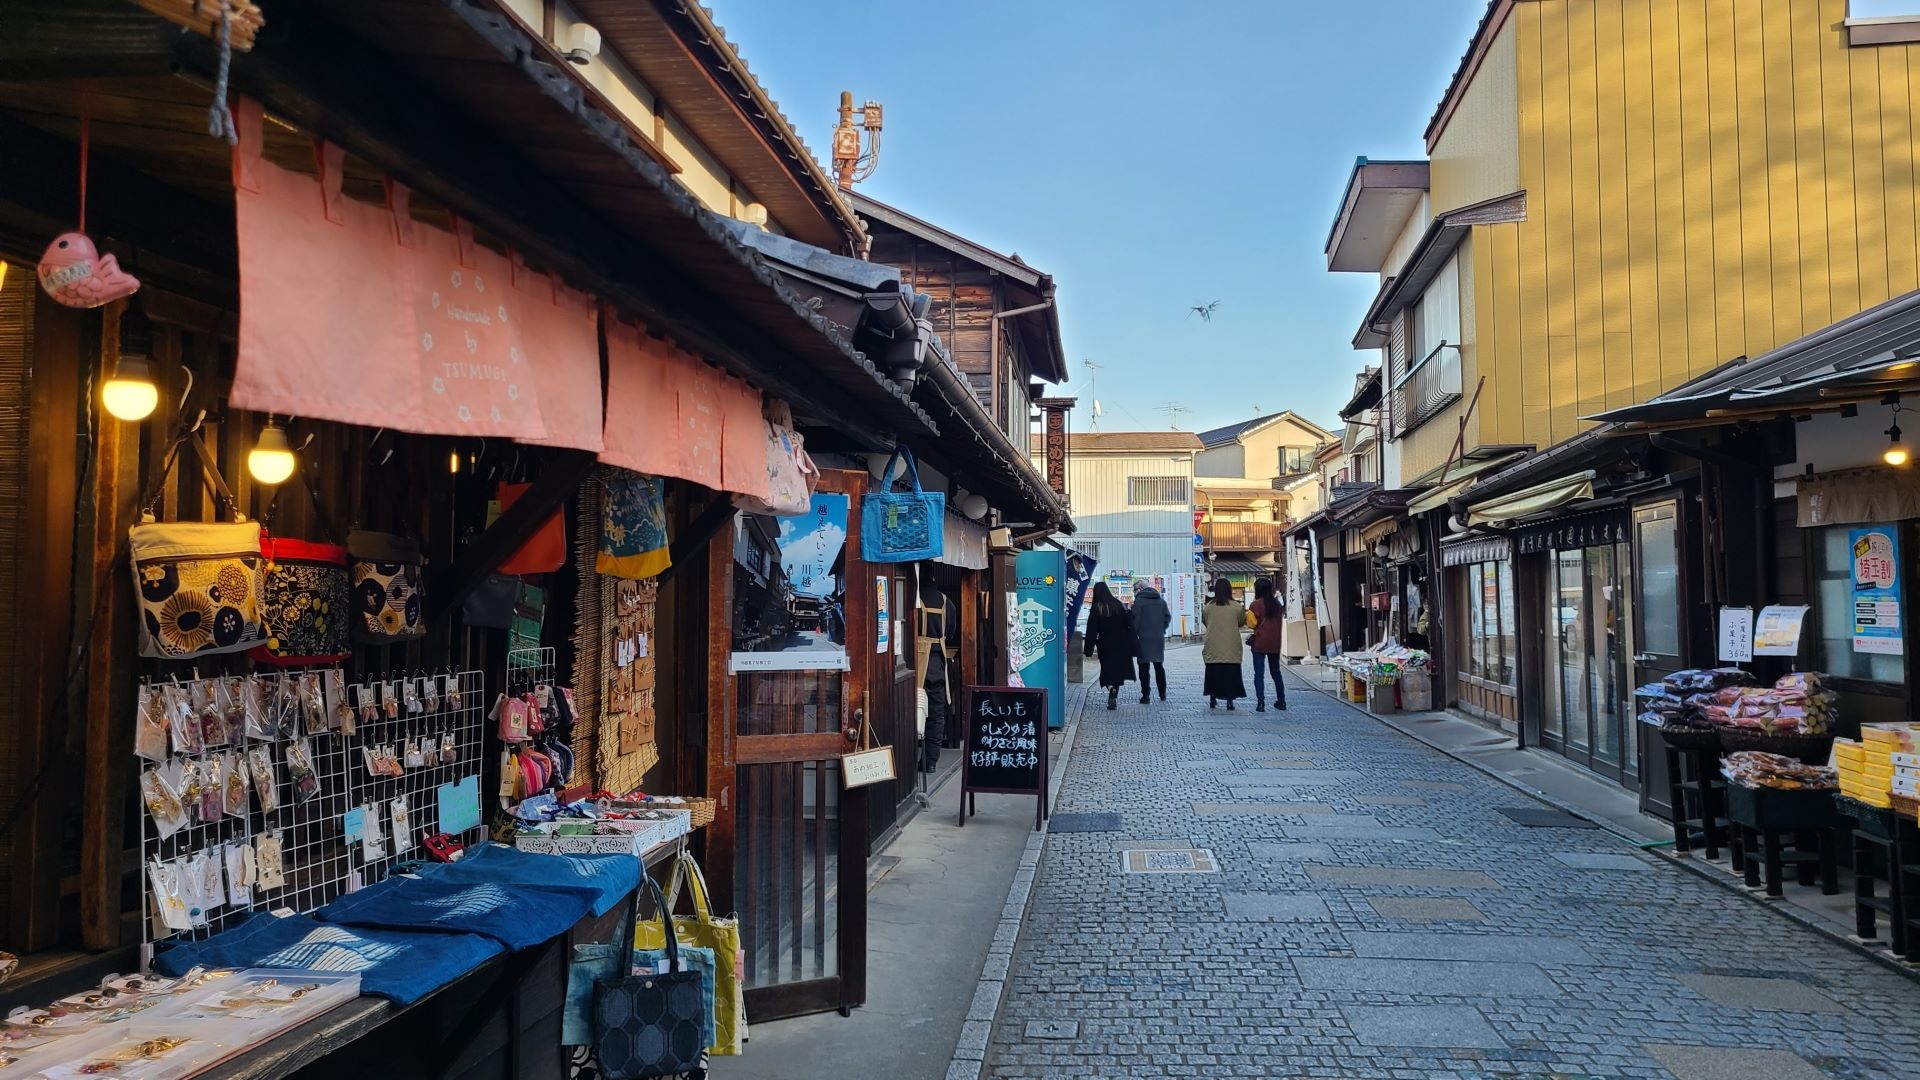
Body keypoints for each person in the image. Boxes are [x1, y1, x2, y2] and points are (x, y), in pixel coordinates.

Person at [915, 571, 960, 773]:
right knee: (936, 714)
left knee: (915, 711)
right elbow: (951, 632)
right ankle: (930, 761)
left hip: (916, 661)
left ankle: (910, 758)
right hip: (938, 663)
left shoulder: (913, 599)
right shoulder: (945, 601)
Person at [1082, 582, 1138, 710]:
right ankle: (1114, 694)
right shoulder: (1117, 604)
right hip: (1121, 644)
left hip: (1104, 644)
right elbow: (1127, 624)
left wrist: (1088, 649)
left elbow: (1092, 630)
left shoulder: (1097, 608)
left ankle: (1110, 688)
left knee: (1106, 670)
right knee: (1117, 671)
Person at [1201, 578, 1248, 710]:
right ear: (1229, 590)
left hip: (1213, 645)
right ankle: (1229, 700)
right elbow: (1240, 622)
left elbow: (1206, 622)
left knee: (1213, 672)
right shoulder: (1237, 607)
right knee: (1230, 674)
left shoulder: (1208, 607)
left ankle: (1212, 698)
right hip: (1231, 645)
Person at [1247, 578, 1287, 713]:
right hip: (1275, 643)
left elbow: (1251, 624)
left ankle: (1261, 703)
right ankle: (1281, 701)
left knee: (1259, 674)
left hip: (1259, 643)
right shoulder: (1277, 604)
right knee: (1276, 672)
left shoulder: (1255, 605)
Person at [1130, 584, 1171, 704]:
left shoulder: (1138, 602)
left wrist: (1134, 633)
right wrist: (1161, 629)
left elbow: (1135, 621)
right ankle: (1162, 694)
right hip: (1158, 638)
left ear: (1140, 589)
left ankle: (1146, 695)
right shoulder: (1161, 601)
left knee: (1143, 668)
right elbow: (1167, 617)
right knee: (1159, 666)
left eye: (1135, 590)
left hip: (1143, 638)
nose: (1135, 592)